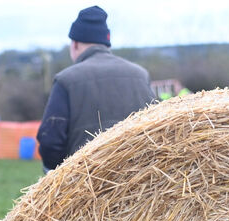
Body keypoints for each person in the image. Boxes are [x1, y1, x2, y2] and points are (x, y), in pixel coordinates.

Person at [36, 6, 154, 171]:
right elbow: (157, 130)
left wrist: (57, 176)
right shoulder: (141, 75)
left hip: (85, 184)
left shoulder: (66, 79)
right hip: (137, 182)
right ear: (106, 43)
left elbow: (51, 141)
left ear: (75, 44)